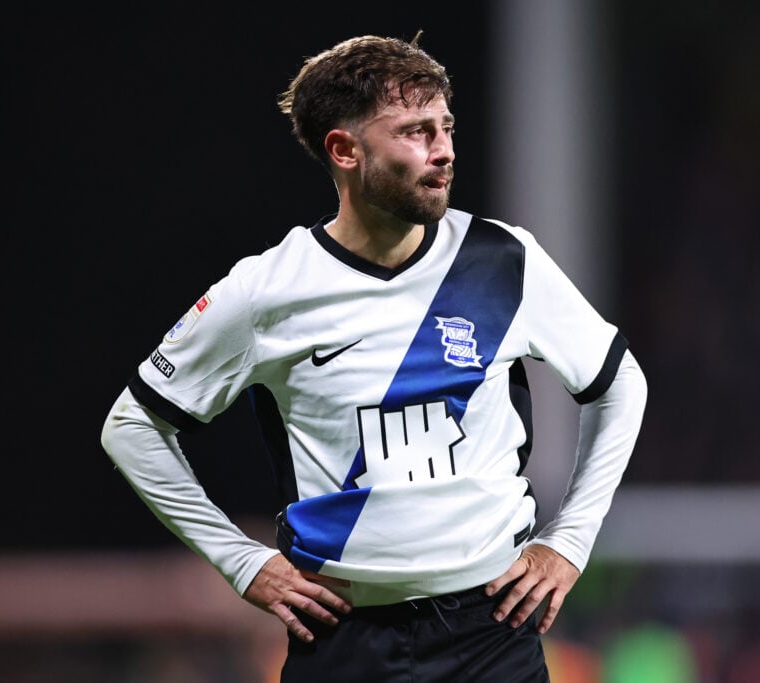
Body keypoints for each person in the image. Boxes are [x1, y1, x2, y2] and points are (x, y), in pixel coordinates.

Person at [101, 31, 647, 682]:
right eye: (416, 131)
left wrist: (570, 540)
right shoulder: (266, 290)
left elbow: (621, 383)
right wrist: (242, 562)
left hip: (492, 632)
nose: (444, 150)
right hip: (342, 638)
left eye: (446, 127)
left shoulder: (504, 259)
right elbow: (132, 426)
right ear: (344, 150)